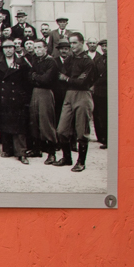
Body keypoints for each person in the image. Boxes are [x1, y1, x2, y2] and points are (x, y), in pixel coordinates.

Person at [54, 33, 98, 172]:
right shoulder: (70, 59)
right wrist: (69, 79)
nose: (71, 46)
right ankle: (67, 158)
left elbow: (81, 82)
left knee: (82, 131)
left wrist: (67, 79)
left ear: (82, 43)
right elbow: (61, 74)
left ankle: (81, 162)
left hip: (83, 95)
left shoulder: (88, 61)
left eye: (74, 43)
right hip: (69, 95)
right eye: (70, 43)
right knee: (61, 130)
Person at [0, 39, 31, 163]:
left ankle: (21, 152)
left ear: (14, 49)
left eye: (10, 47)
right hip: (4, 97)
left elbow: (27, 81)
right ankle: (7, 149)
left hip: (17, 98)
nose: (8, 50)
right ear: (2, 50)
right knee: (5, 124)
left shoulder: (22, 62)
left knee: (19, 126)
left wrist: (24, 96)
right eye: (6, 48)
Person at [92, 40, 108, 149]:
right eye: (103, 46)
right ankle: (103, 138)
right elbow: (94, 74)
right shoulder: (98, 60)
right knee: (101, 115)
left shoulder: (116, 58)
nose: (104, 48)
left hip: (109, 90)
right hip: (99, 92)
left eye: (106, 46)